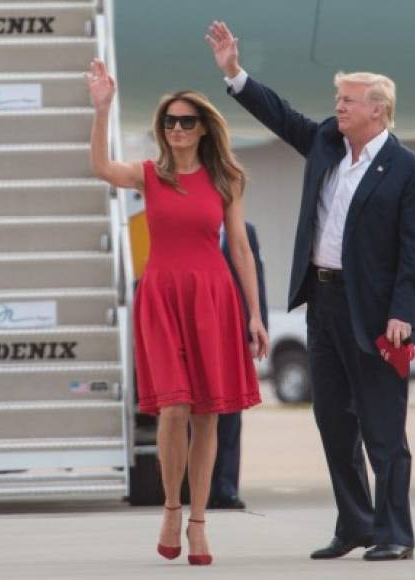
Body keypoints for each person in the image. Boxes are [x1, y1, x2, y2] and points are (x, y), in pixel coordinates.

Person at [207, 21, 415, 562]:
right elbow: (283, 116)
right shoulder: (329, 145)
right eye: (338, 99)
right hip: (324, 302)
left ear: (378, 109)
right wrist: (235, 75)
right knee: (333, 421)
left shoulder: (406, 169)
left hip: (379, 317)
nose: (339, 108)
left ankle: (395, 532)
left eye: (348, 101)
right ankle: (355, 524)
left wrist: (404, 312)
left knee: (383, 430)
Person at [87, 58, 268, 566]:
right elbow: (101, 167)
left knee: (208, 413)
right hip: (162, 296)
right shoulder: (150, 175)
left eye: (188, 121)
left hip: (212, 296)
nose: (179, 128)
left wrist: (255, 315)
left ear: (204, 127)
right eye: (171, 121)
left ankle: (200, 521)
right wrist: (102, 111)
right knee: (172, 408)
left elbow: (240, 249)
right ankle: (171, 507)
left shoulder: (227, 177)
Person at [208, 221, 268, 510]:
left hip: (233, 331)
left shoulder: (245, 231)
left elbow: (257, 281)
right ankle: (201, 487)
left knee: (231, 413)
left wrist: (257, 328)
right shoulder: (190, 222)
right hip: (201, 326)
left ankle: (227, 487)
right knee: (199, 413)